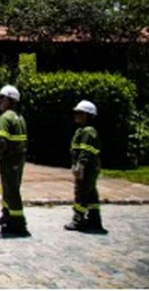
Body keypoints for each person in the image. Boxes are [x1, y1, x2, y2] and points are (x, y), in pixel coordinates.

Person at [0, 84, 30, 237]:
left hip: (9, 159)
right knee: (9, 188)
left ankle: (18, 224)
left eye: (0, 98)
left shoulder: (5, 117)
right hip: (19, 158)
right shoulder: (19, 117)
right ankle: (7, 214)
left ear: (7, 99)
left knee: (12, 191)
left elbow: (1, 140)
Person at [65, 100, 107, 234]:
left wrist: (80, 167)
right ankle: (95, 220)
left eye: (79, 113)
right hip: (89, 167)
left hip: (87, 168)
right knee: (91, 194)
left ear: (88, 115)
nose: (76, 115)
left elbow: (85, 151)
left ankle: (78, 220)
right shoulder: (83, 130)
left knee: (81, 193)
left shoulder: (88, 131)